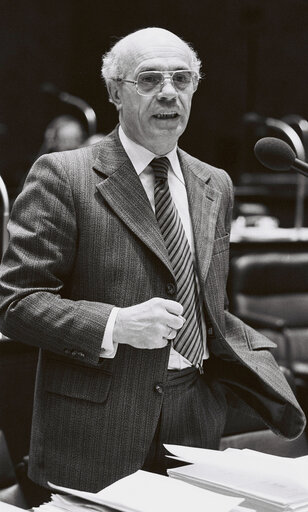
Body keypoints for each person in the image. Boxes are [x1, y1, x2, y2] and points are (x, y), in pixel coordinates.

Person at [0, 27, 305, 493]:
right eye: (149, 79)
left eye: (182, 80)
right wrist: (114, 324)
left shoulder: (215, 183)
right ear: (114, 93)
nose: (169, 92)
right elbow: (16, 303)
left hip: (195, 420)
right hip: (94, 432)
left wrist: (255, 360)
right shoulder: (64, 175)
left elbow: (207, 303)